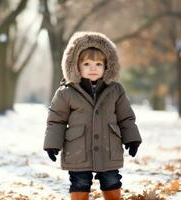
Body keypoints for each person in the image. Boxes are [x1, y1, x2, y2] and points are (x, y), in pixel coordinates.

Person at [43, 32, 142, 200]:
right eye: (87, 64)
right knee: (80, 182)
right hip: (78, 150)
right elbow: (56, 120)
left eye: (98, 64)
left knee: (112, 180)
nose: (93, 68)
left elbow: (126, 117)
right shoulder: (66, 92)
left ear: (107, 66)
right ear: (75, 66)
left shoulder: (115, 90)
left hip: (108, 148)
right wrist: (52, 144)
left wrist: (132, 139)